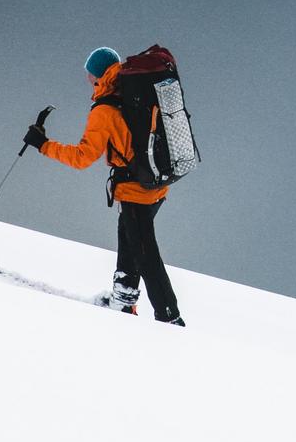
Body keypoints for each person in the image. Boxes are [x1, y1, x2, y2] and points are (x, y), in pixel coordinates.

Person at [23, 44, 182, 324]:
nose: (86, 78)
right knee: (131, 241)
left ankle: (169, 317)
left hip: (135, 191)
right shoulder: (134, 92)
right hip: (157, 183)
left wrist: (43, 145)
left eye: (88, 73)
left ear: (96, 75)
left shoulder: (105, 109)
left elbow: (83, 158)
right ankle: (123, 300)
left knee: (145, 253)